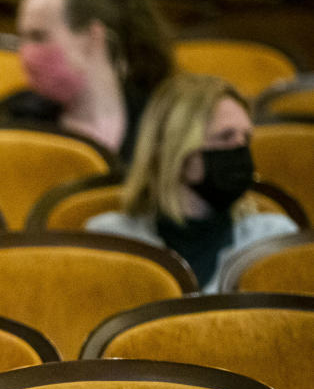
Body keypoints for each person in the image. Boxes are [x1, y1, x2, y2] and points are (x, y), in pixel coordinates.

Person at [86, 73, 298, 292]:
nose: (240, 150)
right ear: (173, 148)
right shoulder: (111, 242)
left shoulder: (273, 240)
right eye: (225, 137)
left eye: (246, 138)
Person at [0, 0, 173, 162]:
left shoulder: (163, 124)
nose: (25, 53)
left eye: (39, 37)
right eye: (22, 38)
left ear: (92, 36)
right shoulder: (14, 120)